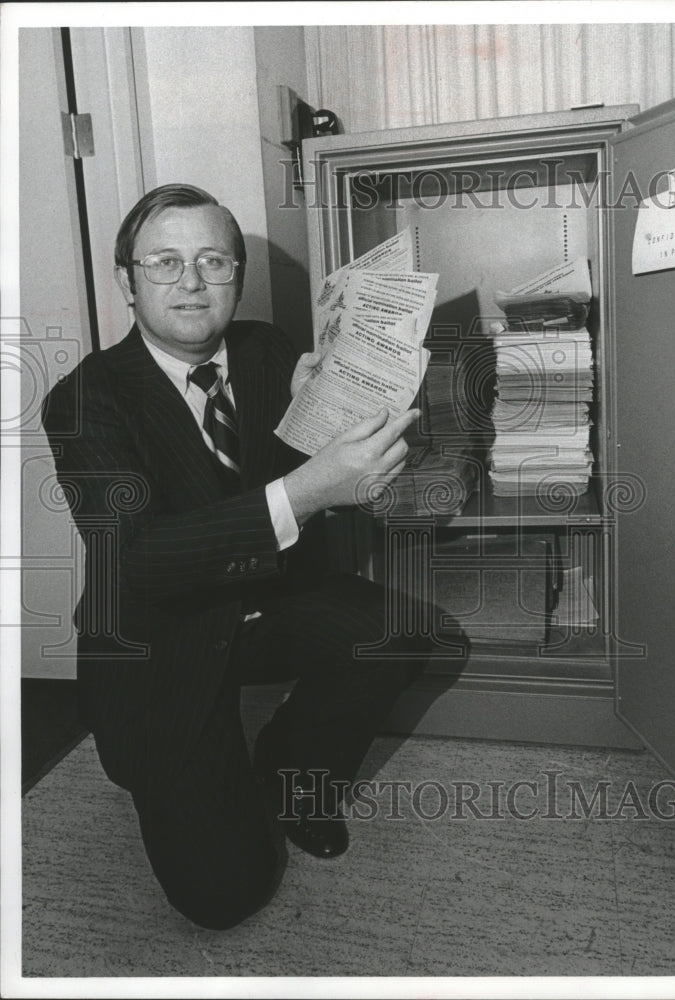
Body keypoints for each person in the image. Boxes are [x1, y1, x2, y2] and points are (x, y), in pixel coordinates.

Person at [41, 183, 444, 931]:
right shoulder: (84, 399)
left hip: (260, 601)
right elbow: (141, 558)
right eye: (164, 262)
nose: (191, 281)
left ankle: (290, 775)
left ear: (236, 274)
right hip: (160, 639)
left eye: (213, 261)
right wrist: (313, 481)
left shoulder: (264, 349)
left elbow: (270, 481)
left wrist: (338, 432)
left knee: (398, 632)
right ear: (126, 279)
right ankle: (189, 777)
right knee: (225, 898)